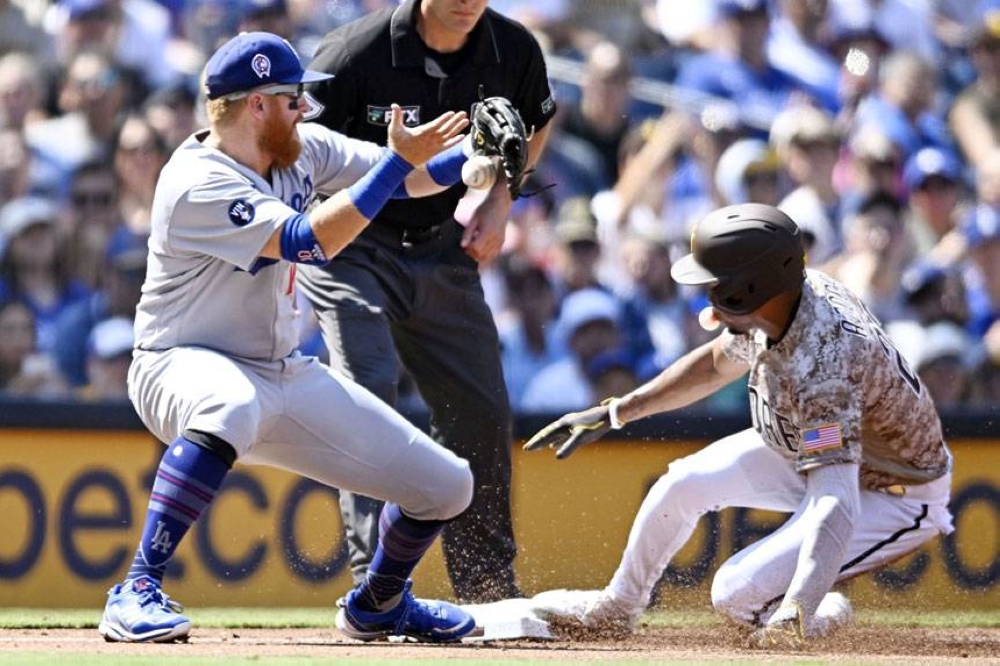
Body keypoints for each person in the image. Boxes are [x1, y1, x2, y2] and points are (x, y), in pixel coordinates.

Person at [97, 31, 485, 644]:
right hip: (178, 364)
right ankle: (137, 586)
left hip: (281, 371)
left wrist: (478, 160)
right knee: (231, 404)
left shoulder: (298, 149)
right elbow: (312, 240)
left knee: (447, 485)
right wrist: (398, 161)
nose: (305, 107)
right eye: (293, 97)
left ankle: (380, 602)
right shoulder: (196, 181)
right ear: (256, 105)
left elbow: (406, 182)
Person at [524, 203, 953, 647]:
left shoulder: (825, 361)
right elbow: (714, 364)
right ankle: (617, 607)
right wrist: (617, 411)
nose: (705, 291)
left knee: (736, 594)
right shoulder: (782, 299)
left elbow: (836, 499)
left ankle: (824, 612)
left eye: (715, 281)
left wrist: (799, 609)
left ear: (749, 287)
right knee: (683, 482)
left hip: (893, 489)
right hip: (813, 447)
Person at [297, 0, 556, 603]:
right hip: (351, 247)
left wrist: (501, 199)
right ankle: (375, 588)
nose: (468, 2)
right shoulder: (351, 55)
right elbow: (297, 150)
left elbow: (536, 122)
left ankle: (486, 591)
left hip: (441, 246)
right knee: (366, 389)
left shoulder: (512, 49)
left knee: (482, 411)